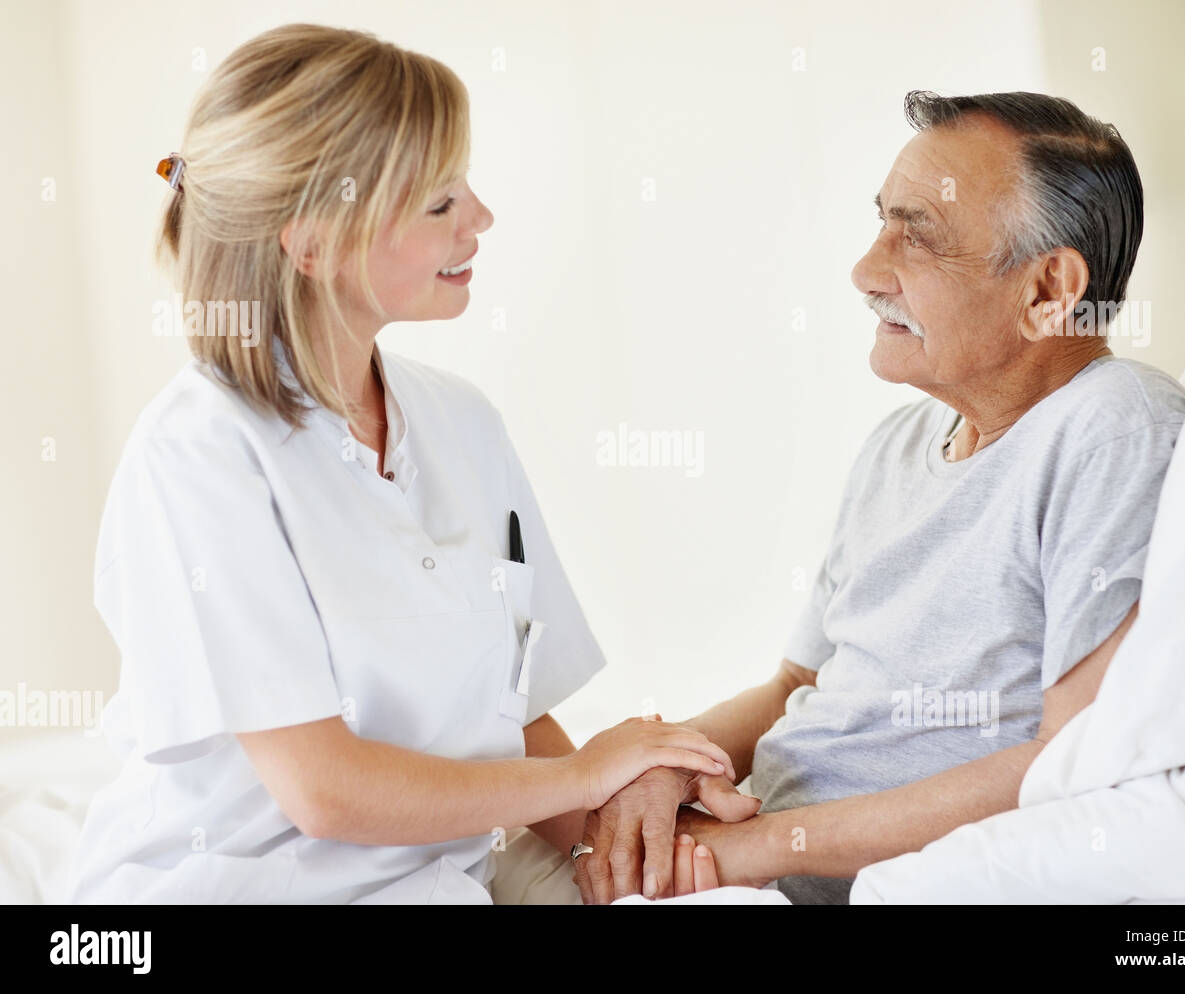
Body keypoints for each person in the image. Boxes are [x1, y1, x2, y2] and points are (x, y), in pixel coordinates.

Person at [67, 23, 734, 905]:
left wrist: (638, 831)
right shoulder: (197, 456)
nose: (482, 219)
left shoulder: (461, 423)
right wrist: (587, 780)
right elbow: (325, 789)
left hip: (434, 883)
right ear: (311, 246)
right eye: (440, 203)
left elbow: (518, 717)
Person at [574, 91, 1185, 904]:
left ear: (1048, 289)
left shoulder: (1115, 429)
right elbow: (795, 684)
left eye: (919, 236)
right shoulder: (898, 444)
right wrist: (663, 769)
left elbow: (1075, 752)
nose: (866, 271)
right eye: (880, 223)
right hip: (739, 854)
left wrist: (746, 853)